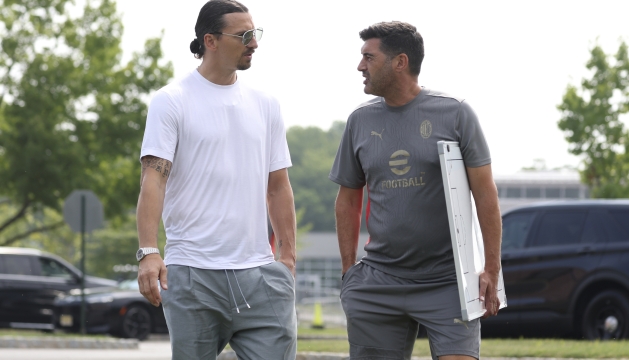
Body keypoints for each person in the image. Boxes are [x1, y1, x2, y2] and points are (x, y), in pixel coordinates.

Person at [330, 21, 502, 360]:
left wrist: (491, 268)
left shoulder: (455, 113)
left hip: (447, 283)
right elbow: (348, 200)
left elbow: (486, 196)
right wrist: (349, 270)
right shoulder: (359, 121)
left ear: (400, 62)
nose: (360, 66)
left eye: (369, 57)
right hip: (378, 283)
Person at [135, 1, 297, 359]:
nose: (254, 43)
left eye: (255, 34)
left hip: (260, 275)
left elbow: (278, 185)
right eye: (244, 35)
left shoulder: (266, 103)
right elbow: (154, 180)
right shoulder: (171, 100)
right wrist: (149, 252)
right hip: (193, 275)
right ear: (210, 40)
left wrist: (288, 258)